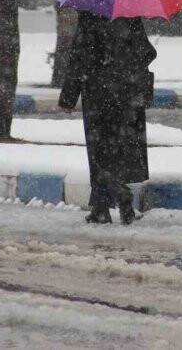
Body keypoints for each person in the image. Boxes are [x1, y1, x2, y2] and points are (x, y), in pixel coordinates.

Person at [58, 11, 156, 224]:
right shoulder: (130, 15)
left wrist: (68, 97)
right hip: (127, 94)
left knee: (99, 151)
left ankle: (107, 203)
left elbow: (78, 58)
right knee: (120, 149)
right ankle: (119, 204)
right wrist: (125, 65)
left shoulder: (90, 17)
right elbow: (147, 52)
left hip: (97, 95)